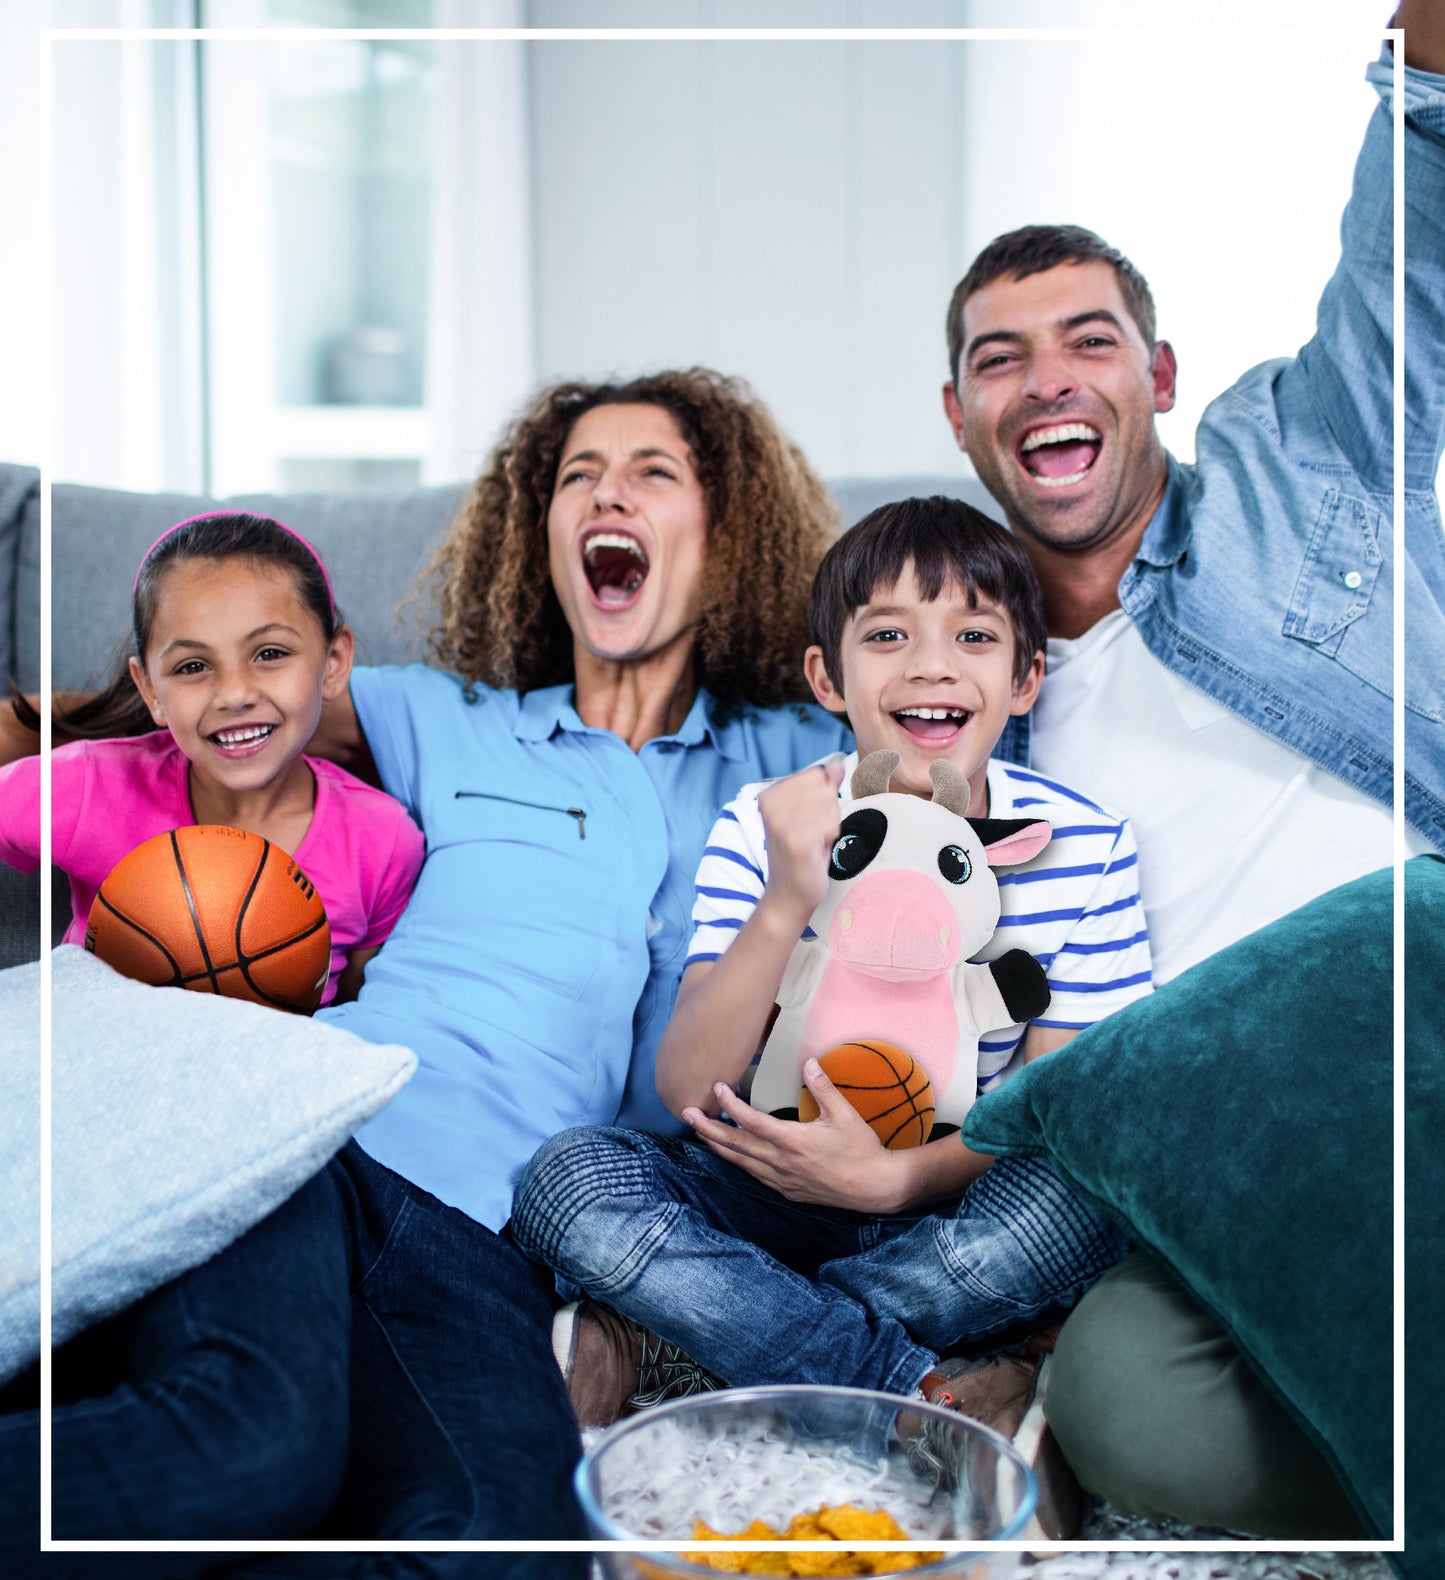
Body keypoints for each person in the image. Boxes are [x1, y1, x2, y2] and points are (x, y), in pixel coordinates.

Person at [0, 368, 852, 1574]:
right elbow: (225, 688)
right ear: (540, 533)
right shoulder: (446, 716)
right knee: (249, 1445)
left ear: (726, 530)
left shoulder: (798, 757)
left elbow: (957, 702)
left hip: (487, 1248)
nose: (606, 494)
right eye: (577, 477)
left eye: (651, 472)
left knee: (509, 1551)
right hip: (310, 1142)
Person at [926, 10, 1445, 1541]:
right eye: (999, 360)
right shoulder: (957, 706)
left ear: (1156, 374)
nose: (1047, 382)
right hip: (1212, 1157)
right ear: (957, 417)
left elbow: (1413, 239)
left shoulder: (1308, 472)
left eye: (1088, 342)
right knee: (1126, 1404)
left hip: (1414, 1019)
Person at [511, 497, 1151, 1508]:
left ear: (1026, 677)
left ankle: (689, 1335)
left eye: (974, 637)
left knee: (1091, 1199)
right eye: (887, 635)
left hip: (950, 1207)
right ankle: (912, 1386)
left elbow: (1056, 1105)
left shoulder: (1085, 842)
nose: (931, 666)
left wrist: (896, 1180)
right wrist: (786, 898)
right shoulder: (766, 822)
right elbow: (688, 1087)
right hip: (759, 1194)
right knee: (564, 1182)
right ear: (827, 677)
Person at [0, 512, 424, 1005]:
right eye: (193, 666)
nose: (235, 694)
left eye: (269, 653)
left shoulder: (384, 840)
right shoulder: (85, 785)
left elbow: (365, 1009)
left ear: (333, 664)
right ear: (150, 690)